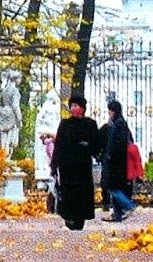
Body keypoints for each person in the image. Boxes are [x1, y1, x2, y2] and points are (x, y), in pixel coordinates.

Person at [50, 93, 99, 230]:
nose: (72, 108)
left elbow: (95, 143)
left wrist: (87, 146)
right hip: (67, 165)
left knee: (82, 192)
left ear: (82, 108)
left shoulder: (90, 124)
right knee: (68, 191)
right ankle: (69, 217)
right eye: (71, 106)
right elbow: (59, 145)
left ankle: (80, 218)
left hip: (82, 165)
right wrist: (54, 165)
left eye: (75, 106)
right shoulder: (65, 124)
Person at [99, 99, 138, 222]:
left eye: (110, 111)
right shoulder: (117, 123)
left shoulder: (118, 124)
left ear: (114, 111)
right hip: (117, 161)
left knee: (112, 186)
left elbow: (117, 144)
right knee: (115, 186)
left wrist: (109, 156)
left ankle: (128, 206)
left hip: (116, 162)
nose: (109, 113)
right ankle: (118, 213)